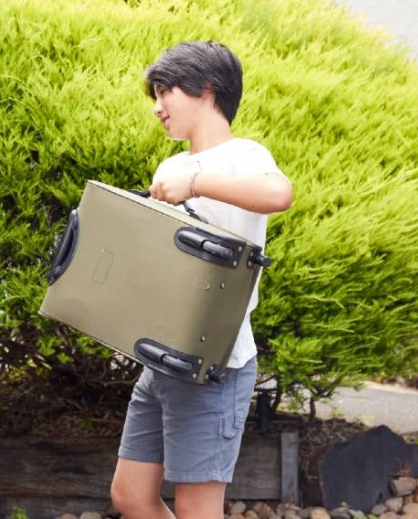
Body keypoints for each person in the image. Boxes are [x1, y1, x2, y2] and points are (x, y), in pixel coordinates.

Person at [110, 41, 294, 518]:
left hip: (217, 366)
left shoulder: (244, 155)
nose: (156, 108)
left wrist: (195, 184)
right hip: (162, 358)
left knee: (197, 508)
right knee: (129, 495)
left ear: (206, 91)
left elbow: (279, 193)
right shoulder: (170, 166)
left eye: (164, 92)